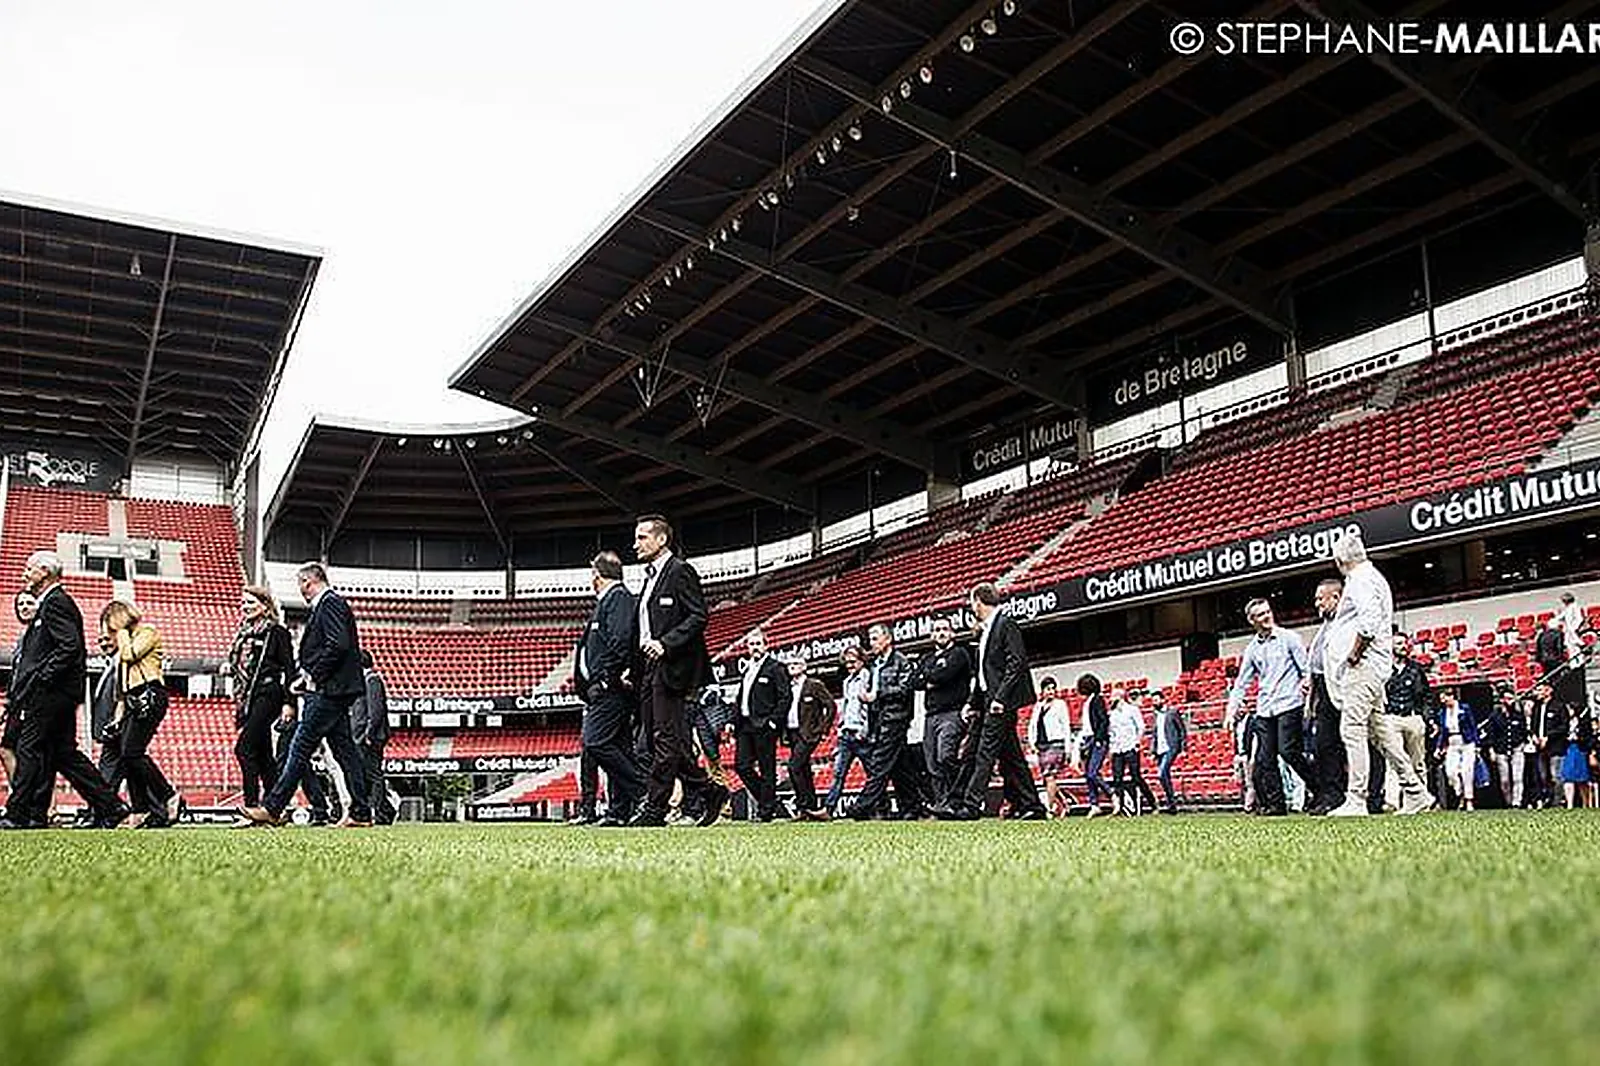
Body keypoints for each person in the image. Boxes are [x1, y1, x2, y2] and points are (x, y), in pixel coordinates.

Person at [1, 551, 127, 830]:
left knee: (29, 748)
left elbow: (70, 647)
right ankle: (110, 805)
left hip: (51, 692)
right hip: (55, 692)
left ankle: (18, 813)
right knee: (62, 753)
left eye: (29, 569)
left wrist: (42, 679)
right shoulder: (49, 605)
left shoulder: (56, 603)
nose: (24, 573)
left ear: (45, 571)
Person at [245, 562, 371, 827]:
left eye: (300, 585)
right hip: (334, 689)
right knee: (345, 751)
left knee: (299, 746)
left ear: (307, 582)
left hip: (329, 690)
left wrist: (312, 676)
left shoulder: (330, 603)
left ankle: (274, 807)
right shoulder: (331, 604)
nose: (300, 590)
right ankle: (360, 812)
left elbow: (338, 645)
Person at [1324, 532, 1433, 817]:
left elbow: (1369, 620)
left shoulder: (1361, 580)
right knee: (1381, 734)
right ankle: (1416, 792)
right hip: (1371, 668)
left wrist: (1355, 653)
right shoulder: (1369, 578)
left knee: (1352, 730)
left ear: (1339, 560)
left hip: (1364, 668)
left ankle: (1357, 799)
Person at [628, 515, 726, 827]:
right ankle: (709, 790)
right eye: (637, 537)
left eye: (642, 537)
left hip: (672, 667)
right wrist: (633, 668)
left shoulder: (680, 571)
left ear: (661, 540)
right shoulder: (649, 578)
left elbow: (698, 616)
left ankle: (655, 808)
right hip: (648, 668)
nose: (636, 544)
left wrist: (666, 644)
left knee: (665, 739)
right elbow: (641, 627)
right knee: (659, 743)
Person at [943, 584, 1046, 821]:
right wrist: (973, 702)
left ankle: (970, 805)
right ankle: (1032, 805)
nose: (971, 607)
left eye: (972, 602)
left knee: (985, 753)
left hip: (1001, 702)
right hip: (988, 700)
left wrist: (1001, 697)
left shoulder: (1005, 624)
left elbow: (1016, 662)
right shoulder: (986, 630)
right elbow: (984, 674)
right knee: (1012, 757)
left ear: (979, 601)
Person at [572, 551, 644, 827]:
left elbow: (620, 640)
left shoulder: (618, 598)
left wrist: (605, 679)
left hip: (610, 690)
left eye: (592, 572)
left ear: (597, 575)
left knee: (596, 742)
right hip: (602, 689)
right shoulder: (607, 601)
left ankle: (642, 792)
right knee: (619, 748)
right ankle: (618, 811)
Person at [1225, 598, 1314, 817]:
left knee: (1288, 751)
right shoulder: (1252, 649)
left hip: (1289, 704)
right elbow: (1242, 683)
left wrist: (1306, 684)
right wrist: (1230, 711)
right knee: (1264, 760)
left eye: (1267, 611)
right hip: (1265, 709)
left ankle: (1319, 789)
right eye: (1260, 614)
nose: (1266, 616)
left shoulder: (1289, 638)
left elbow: (1306, 670)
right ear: (1251, 620)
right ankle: (1277, 805)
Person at [101, 600, 180, 828]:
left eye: (111, 626)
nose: (111, 633)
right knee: (127, 755)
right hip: (133, 699)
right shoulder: (127, 638)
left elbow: (129, 654)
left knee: (132, 753)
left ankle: (167, 795)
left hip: (150, 694)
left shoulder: (148, 632)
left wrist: (123, 632)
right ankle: (140, 809)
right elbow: (124, 686)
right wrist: (118, 717)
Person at [227, 586, 296, 812]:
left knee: (244, 748)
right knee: (264, 754)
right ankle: (275, 807)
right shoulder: (244, 632)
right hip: (249, 697)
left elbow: (289, 670)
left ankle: (251, 806)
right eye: (244, 603)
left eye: (251, 603)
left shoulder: (277, 632)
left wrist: (289, 702)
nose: (245, 607)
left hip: (270, 693)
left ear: (265, 606)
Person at [846, 624, 924, 820]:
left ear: (888, 639)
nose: (870, 643)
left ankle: (862, 807)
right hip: (879, 720)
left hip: (896, 719)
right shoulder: (874, 665)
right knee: (900, 766)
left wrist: (877, 695)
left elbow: (906, 689)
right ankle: (912, 807)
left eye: (874, 638)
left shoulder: (901, 662)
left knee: (879, 763)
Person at [731, 628, 788, 821]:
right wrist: (734, 721)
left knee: (767, 768)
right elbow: (741, 698)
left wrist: (773, 722)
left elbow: (784, 697)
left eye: (758, 644)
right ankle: (767, 801)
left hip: (764, 725)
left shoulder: (776, 667)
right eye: (751, 644)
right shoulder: (747, 669)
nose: (754, 648)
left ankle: (766, 811)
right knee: (741, 766)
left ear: (766, 645)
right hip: (745, 726)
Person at [915, 617, 972, 812]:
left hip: (953, 713)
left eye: (945, 629)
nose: (941, 633)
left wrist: (930, 677)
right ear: (932, 635)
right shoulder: (926, 658)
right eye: (937, 630)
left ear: (952, 633)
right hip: (931, 715)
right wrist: (932, 677)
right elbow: (915, 681)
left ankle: (959, 797)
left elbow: (944, 675)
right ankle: (942, 803)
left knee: (945, 755)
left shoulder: (959, 654)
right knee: (931, 763)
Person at [1304, 578, 1346, 814]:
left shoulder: (1345, 623)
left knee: (1352, 742)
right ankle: (1331, 795)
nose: (1317, 603)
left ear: (1336, 598)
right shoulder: (1324, 626)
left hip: (1340, 687)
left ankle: (1369, 795)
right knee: (1324, 745)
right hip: (1322, 688)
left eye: (1321, 598)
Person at [1379, 634, 1434, 813]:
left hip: (1413, 718)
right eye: (1399, 644)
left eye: (1404, 643)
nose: (1403, 646)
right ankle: (1392, 801)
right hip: (1391, 718)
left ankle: (1422, 799)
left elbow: (1426, 695)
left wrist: (1426, 718)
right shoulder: (1383, 669)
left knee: (1417, 761)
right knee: (1393, 760)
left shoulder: (1416, 669)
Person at [783, 653, 834, 821]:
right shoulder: (786, 686)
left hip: (808, 734)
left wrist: (822, 729)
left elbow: (830, 706)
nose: (792, 666)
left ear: (804, 666)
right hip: (792, 733)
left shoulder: (814, 685)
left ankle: (803, 805)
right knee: (803, 769)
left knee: (794, 767)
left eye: (796, 663)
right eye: (789, 664)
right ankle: (811, 809)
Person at [825, 645, 872, 816]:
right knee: (838, 774)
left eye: (853, 661)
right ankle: (829, 809)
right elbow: (846, 707)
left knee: (872, 775)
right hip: (846, 734)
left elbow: (869, 707)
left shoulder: (869, 677)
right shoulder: (846, 682)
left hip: (861, 734)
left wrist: (864, 730)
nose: (850, 665)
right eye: (847, 663)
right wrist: (840, 729)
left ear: (861, 660)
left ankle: (879, 808)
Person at [351, 651, 395, 825]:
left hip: (369, 737)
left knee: (374, 776)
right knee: (368, 775)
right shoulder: (365, 681)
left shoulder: (372, 680)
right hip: (363, 736)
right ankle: (386, 810)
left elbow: (376, 711)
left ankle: (380, 814)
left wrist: (369, 734)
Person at [1, 591, 39, 787]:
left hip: (34, 700)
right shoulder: (22, 638)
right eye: (20, 604)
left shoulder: (43, 634)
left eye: (29, 603)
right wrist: (9, 701)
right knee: (6, 749)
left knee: (34, 753)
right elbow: (17, 673)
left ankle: (45, 807)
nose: (23, 607)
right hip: (18, 701)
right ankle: (20, 800)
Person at [1027, 677, 1072, 816]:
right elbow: (1032, 725)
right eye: (1048, 689)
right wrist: (1032, 742)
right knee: (1047, 778)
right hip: (1042, 745)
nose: (1051, 692)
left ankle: (1050, 808)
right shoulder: (1038, 706)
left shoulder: (1060, 705)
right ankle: (1064, 803)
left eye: (1053, 688)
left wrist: (1068, 747)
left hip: (1056, 743)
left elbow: (1066, 726)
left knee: (1050, 775)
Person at [1107, 688, 1155, 814]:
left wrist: (1136, 742)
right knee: (1117, 779)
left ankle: (1152, 802)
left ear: (1120, 696)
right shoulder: (1111, 714)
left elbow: (1141, 727)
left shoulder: (1132, 710)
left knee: (1136, 777)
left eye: (1113, 696)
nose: (1111, 698)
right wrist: (1112, 749)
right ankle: (1121, 807)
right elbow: (1111, 733)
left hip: (1130, 747)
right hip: (1117, 749)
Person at [1434, 687, 1481, 811]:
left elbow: (1473, 726)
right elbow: (1443, 732)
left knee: (1467, 771)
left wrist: (1477, 745)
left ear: (1451, 697)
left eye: (1445, 698)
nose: (1443, 701)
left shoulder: (1464, 709)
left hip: (1466, 742)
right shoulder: (1442, 713)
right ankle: (1459, 791)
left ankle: (1469, 800)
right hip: (1452, 743)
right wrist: (1439, 747)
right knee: (1451, 771)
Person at [1078, 673, 1113, 817]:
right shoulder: (1087, 702)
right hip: (1087, 739)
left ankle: (1112, 793)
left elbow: (1103, 720)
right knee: (1088, 774)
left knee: (1093, 772)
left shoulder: (1098, 700)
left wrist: (1099, 739)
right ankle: (1094, 803)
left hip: (1096, 739)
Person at [1151, 689, 1186, 814]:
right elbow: (1154, 734)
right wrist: (1153, 751)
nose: (1154, 702)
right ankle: (1172, 804)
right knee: (1165, 777)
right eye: (1152, 701)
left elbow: (1182, 730)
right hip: (1159, 750)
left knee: (1161, 773)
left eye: (1156, 700)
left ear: (1162, 700)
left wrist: (1182, 748)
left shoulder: (1173, 712)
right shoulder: (1155, 715)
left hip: (1171, 747)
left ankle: (1171, 802)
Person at [1556, 591, 1588, 712]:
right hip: (1569, 633)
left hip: (1572, 632)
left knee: (1575, 648)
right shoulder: (1567, 609)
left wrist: (1573, 628)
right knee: (1571, 650)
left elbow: (1579, 619)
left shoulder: (1575, 607)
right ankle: (1574, 664)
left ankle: (1579, 664)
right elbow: (1561, 618)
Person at [1559, 703, 1593, 808]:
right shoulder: (1565, 722)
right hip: (1568, 749)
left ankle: (1586, 803)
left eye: (1570, 709)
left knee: (1582, 778)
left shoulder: (1584, 722)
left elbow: (1589, 737)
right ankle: (1569, 804)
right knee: (1568, 776)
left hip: (1580, 750)